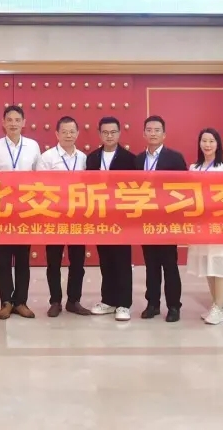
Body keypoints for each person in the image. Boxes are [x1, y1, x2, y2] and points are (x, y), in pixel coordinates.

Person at [0, 105, 42, 320]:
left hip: (26, 211)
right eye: (9, 120)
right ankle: (6, 302)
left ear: (24, 123)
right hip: (2, 211)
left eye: (17, 120)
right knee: (3, 258)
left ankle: (21, 301)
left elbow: (40, 177)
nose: (13, 123)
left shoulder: (33, 146)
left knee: (22, 259)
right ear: (3, 122)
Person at [38, 116, 90, 317]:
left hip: (78, 217)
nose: (68, 135)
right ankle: (55, 301)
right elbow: (41, 187)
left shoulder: (84, 158)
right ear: (57, 134)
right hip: (54, 216)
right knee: (54, 262)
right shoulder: (47, 158)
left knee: (77, 262)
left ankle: (74, 301)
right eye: (64, 132)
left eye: (72, 131)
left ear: (77, 133)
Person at [137, 115, 186, 323]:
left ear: (164, 134)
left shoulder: (175, 158)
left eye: (157, 130)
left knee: (169, 264)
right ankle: (152, 304)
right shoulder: (138, 160)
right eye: (149, 130)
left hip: (167, 220)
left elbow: (184, 188)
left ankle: (174, 306)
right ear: (144, 133)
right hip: (146, 220)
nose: (153, 133)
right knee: (151, 264)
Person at [86, 116, 135, 321]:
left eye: (113, 132)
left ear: (119, 133)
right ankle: (108, 300)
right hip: (100, 217)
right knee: (105, 260)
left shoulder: (129, 158)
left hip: (121, 218)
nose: (109, 136)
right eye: (105, 132)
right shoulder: (92, 158)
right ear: (99, 134)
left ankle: (124, 303)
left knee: (122, 260)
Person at [188, 128, 223, 326]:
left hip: (219, 224)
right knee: (207, 265)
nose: (207, 145)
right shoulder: (194, 168)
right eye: (204, 141)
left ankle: (219, 306)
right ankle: (218, 306)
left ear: (218, 145)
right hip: (201, 224)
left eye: (211, 141)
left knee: (220, 265)